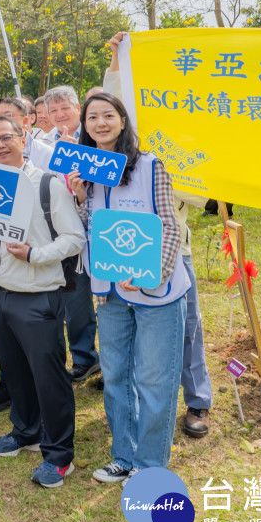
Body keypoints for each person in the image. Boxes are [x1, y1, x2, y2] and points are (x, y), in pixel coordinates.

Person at [66, 94, 189, 483]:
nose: (100, 123)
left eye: (108, 116)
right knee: (117, 376)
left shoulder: (151, 166)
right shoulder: (88, 170)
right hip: (110, 292)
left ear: (122, 121)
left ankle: (150, 465)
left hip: (156, 292)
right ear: (84, 125)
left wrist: (155, 271)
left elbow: (170, 225)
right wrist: (82, 197)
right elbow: (91, 229)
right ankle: (123, 454)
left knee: (154, 379)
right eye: (92, 117)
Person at [101, 31, 213, 438]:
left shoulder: (187, 143)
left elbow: (202, 193)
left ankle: (197, 401)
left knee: (186, 328)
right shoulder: (128, 136)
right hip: (120, 247)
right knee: (125, 334)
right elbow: (115, 100)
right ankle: (134, 407)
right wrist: (118, 57)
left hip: (171, 249)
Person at [0, 115, 85, 487]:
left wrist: (35, 254)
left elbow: (74, 239)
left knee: (49, 378)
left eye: (7, 138)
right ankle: (26, 431)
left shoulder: (48, 184)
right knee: (14, 371)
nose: (0, 146)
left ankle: (59, 455)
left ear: (23, 138)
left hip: (38, 295)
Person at [31, 87, 100, 383]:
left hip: (94, 226)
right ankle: (79, 357)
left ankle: (99, 360)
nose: (60, 115)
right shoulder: (43, 143)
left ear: (78, 108)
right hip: (57, 230)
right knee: (71, 295)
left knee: (100, 298)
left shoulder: (96, 138)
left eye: (65, 108)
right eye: (54, 109)